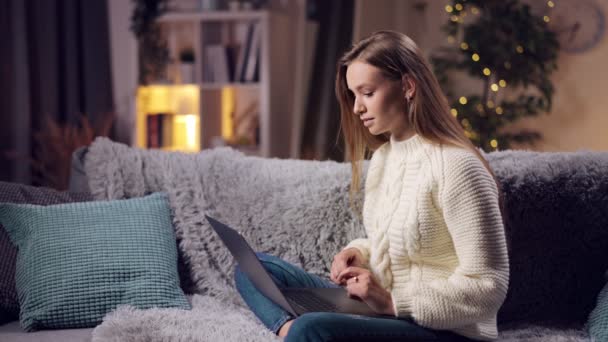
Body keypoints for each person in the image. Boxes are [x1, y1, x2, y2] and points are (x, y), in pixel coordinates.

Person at [234, 30, 509, 342]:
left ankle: (301, 334)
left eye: (367, 93)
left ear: (407, 86)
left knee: (313, 329)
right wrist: (357, 253)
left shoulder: (458, 167)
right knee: (254, 268)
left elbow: (489, 286)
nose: (356, 108)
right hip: (384, 310)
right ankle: (287, 332)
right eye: (353, 95)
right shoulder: (384, 159)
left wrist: (393, 302)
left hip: (447, 331)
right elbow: (394, 240)